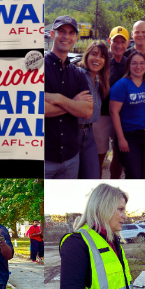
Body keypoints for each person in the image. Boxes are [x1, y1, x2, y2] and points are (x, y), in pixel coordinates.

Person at [45, 15, 94, 178]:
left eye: (71, 33)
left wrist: (58, 99)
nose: (66, 36)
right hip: (44, 158)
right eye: (62, 31)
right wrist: (74, 105)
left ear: (76, 38)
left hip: (71, 159)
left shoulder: (77, 73)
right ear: (52, 34)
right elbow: (35, 109)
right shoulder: (37, 68)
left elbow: (87, 111)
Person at [110, 51, 145, 179]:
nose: (138, 66)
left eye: (142, 63)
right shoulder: (121, 85)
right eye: (134, 63)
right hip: (130, 136)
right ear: (128, 66)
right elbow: (113, 112)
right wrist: (121, 139)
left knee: (143, 174)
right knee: (133, 175)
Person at [94, 27, 129, 178]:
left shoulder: (129, 63)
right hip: (102, 115)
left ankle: (114, 182)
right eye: (116, 41)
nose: (119, 45)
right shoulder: (102, 60)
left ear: (128, 43)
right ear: (109, 41)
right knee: (99, 154)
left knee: (119, 155)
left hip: (121, 117)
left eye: (123, 42)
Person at [77, 41, 110, 179]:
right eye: (94, 54)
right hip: (74, 132)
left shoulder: (98, 80)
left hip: (89, 133)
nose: (97, 59)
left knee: (93, 175)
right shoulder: (77, 74)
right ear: (87, 55)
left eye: (102, 56)